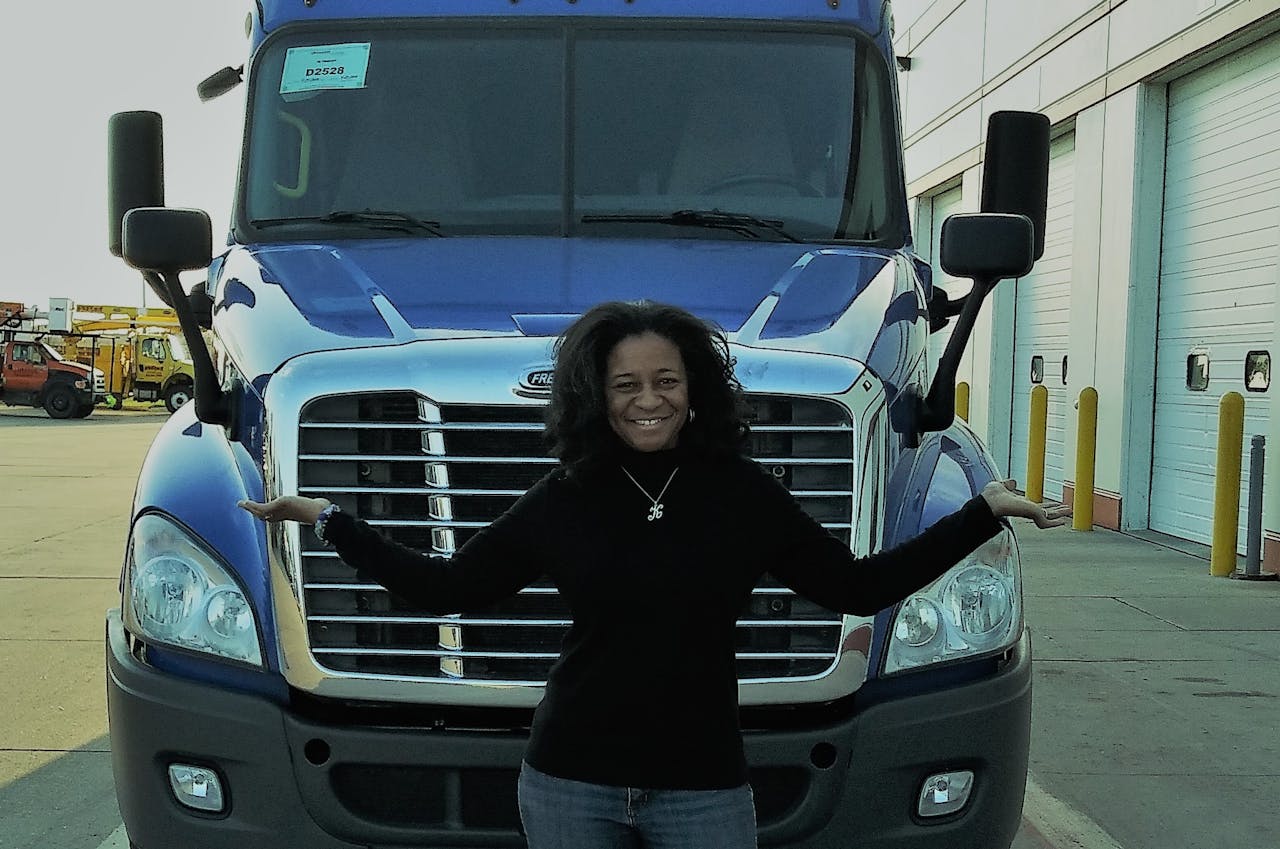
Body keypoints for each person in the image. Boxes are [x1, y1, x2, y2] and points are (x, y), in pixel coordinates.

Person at [240, 300, 1070, 849]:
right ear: (597, 395)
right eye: (627, 384)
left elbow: (855, 587)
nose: (649, 399)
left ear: (694, 390)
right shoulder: (565, 497)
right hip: (569, 782)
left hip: (704, 788)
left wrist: (980, 511)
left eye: (666, 381)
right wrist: (333, 522)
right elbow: (451, 587)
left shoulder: (743, 495)